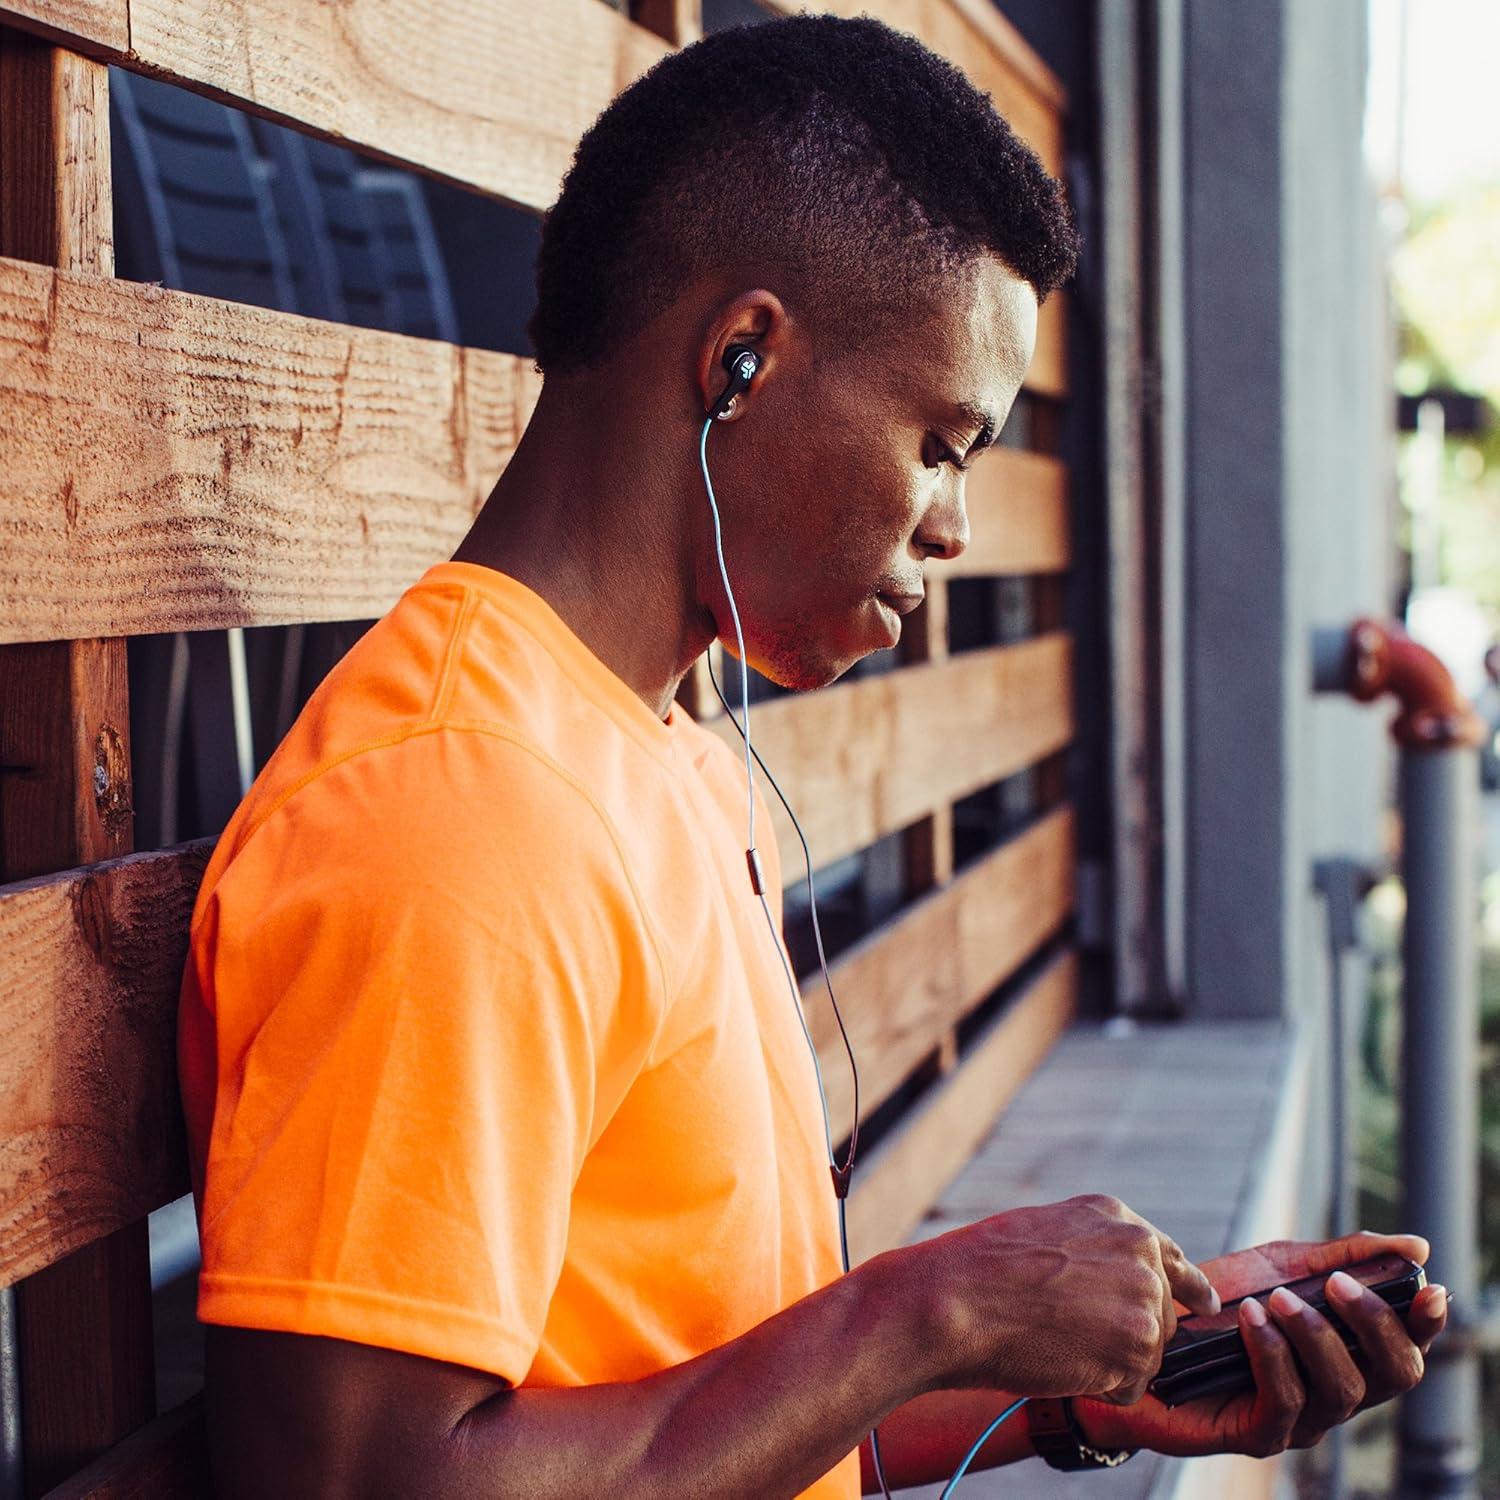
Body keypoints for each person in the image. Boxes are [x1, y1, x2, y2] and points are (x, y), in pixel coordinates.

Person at [177, 13, 1448, 1496]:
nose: (956, 525)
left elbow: (693, 1401)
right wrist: (931, 1307)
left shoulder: (655, 747)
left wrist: (1067, 1391)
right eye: (942, 443)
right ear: (740, 360)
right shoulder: (458, 815)